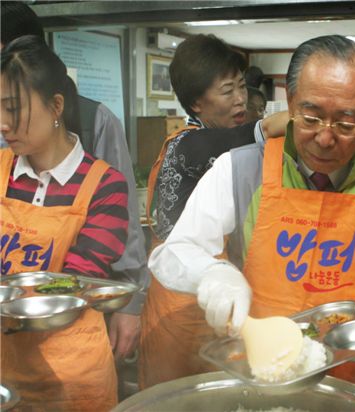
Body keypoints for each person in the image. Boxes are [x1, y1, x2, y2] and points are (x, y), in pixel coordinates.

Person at [149, 35, 355, 406]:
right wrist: (212, 275)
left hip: (351, 388)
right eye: (310, 117)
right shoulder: (240, 169)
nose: (325, 138)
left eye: (347, 124)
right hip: (259, 381)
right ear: (290, 100)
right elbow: (175, 251)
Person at [139, 33, 289, 389]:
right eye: (227, 91)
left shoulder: (221, 147)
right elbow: (259, 131)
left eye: (241, 87)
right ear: (196, 103)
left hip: (220, 297)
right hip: (179, 304)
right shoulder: (189, 144)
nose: (240, 99)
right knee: (175, 398)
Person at [0, 0, 148, 362]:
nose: (4, 123)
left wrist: (132, 302)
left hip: (70, 336)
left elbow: (117, 233)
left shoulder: (98, 125)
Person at [0, 35, 129, 410]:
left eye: (13, 109)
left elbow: (74, 279)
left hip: (71, 373)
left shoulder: (105, 186)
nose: (3, 125)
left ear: (56, 105)